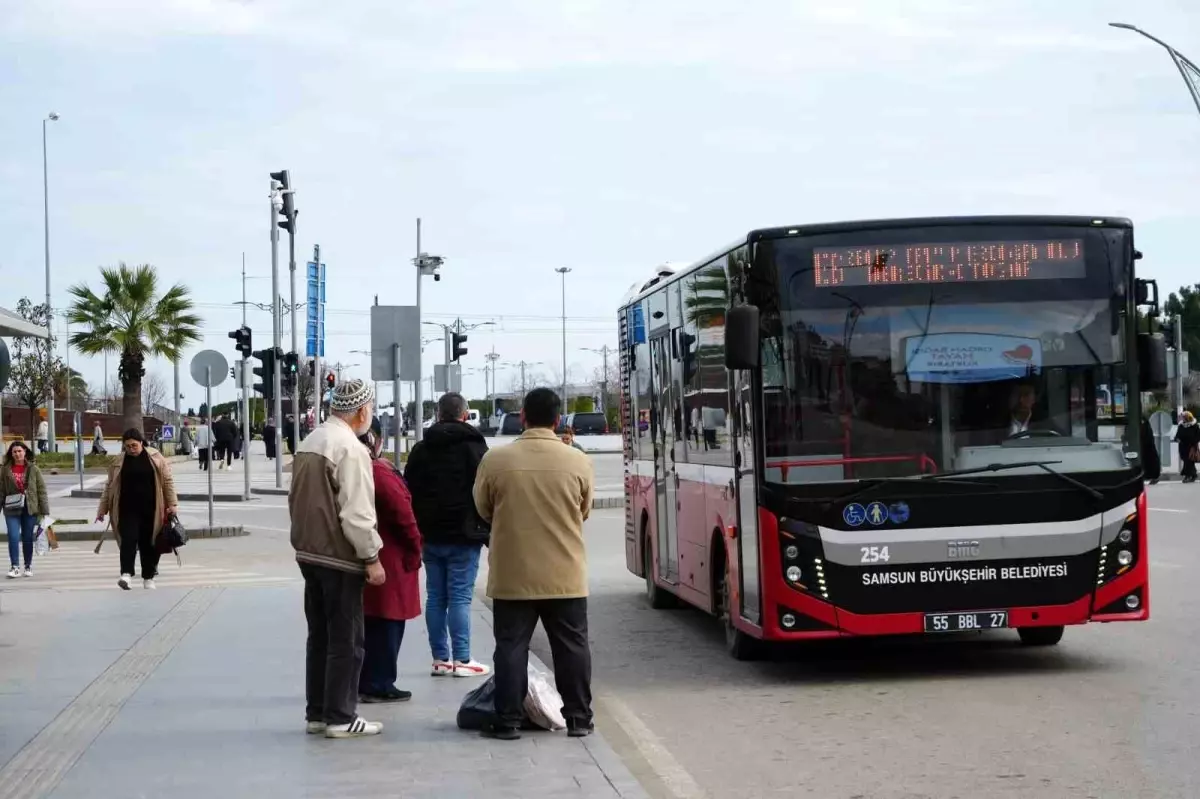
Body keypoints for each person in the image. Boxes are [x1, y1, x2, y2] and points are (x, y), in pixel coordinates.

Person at [473, 388, 595, 741]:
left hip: (514, 573)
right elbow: (584, 510)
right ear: (558, 421)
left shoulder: (496, 461)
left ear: (522, 416)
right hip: (565, 574)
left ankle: (508, 720)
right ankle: (578, 718)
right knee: (572, 646)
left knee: (511, 646)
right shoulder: (577, 460)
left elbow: (483, 507)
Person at [289, 378, 386, 739]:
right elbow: (357, 513)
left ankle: (318, 712)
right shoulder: (351, 448)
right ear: (362, 410)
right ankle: (342, 716)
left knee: (320, 638)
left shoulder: (310, 441)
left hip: (308, 553)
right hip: (339, 558)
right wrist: (371, 556)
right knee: (348, 640)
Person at [404, 392, 491, 678]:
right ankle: (463, 659)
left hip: (430, 533)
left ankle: (440, 659)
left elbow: (408, 490)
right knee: (460, 598)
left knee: (436, 597)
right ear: (464, 414)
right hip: (464, 535)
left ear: (438, 414)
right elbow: (485, 490)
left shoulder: (421, 449)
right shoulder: (475, 447)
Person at [357, 418, 423, 703]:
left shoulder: (353, 469)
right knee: (388, 622)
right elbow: (404, 516)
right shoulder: (379, 473)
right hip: (390, 558)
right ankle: (379, 682)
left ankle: (369, 679)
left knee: (371, 623)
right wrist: (416, 547)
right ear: (377, 440)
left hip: (369, 555)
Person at [95, 429, 178, 590]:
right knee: (128, 540)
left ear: (141, 442)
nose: (131, 449)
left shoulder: (155, 458)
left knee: (149, 543)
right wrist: (102, 509)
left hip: (152, 509)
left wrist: (172, 504)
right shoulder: (118, 461)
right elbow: (109, 486)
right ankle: (126, 574)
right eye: (127, 446)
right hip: (126, 509)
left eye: (134, 445)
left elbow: (167, 481)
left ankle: (148, 577)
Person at [3, 441, 49, 578]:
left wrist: (45, 511)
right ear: (11, 454)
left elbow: (41, 490)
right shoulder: (4, 469)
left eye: (19, 451)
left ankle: (28, 565)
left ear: (25, 452)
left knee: (28, 538)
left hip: (30, 508)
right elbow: (0, 490)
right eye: (14, 452)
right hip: (11, 508)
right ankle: (15, 567)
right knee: (13, 536)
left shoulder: (33, 469)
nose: (17, 454)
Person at [1174, 411, 1200, 483]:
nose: (1183, 419)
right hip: (1183, 446)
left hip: (1191, 446)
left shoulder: (1194, 425)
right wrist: (1177, 439)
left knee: (1188, 461)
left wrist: (1194, 442)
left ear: (1188, 417)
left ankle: (1187, 476)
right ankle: (1194, 475)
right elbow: (1177, 435)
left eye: (1184, 417)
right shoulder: (1181, 425)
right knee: (1188, 461)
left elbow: (1198, 436)